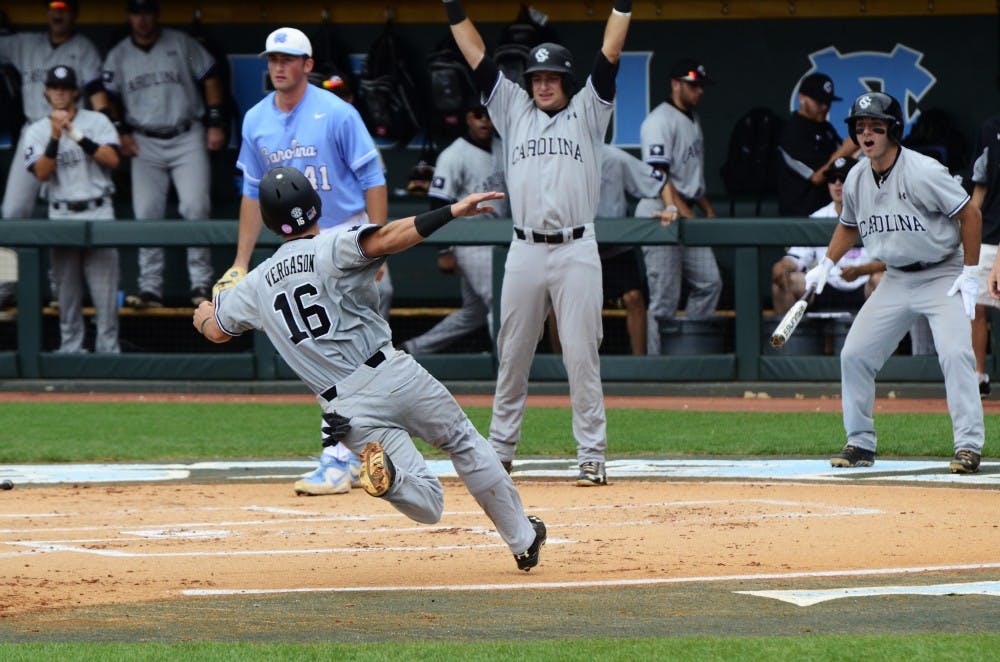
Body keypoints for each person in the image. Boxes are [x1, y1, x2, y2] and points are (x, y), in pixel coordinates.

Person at [193, 166, 546, 571]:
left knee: (429, 505)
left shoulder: (255, 286)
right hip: (390, 374)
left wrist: (203, 311)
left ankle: (392, 481)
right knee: (463, 441)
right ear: (315, 206)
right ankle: (521, 539)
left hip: (344, 409)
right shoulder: (329, 247)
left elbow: (217, 331)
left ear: (271, 225)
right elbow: (388, 238)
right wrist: (450, 211)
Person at [445, 0, 633, 486]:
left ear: (566, 81)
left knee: (581, 354)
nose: (543, 83)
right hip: (525, 248)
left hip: (575, 248)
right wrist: (452, 7)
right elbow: (476, 56)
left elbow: (609, 53)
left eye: (551, 77)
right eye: (536, 77)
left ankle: (591, 454)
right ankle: (500, 452)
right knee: (513, 353)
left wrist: (623, 6)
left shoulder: (590, 111)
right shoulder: (512, 109)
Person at [214, 27, 388, 497]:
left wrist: (377, 242)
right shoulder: (254, 119)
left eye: (289, 59)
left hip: (345, 239)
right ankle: (356, 451)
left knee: (351, 353)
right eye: (272, 59)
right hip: (296, 248)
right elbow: (252, 191)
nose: (279, 67)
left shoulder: (336, 112)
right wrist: (241, 261)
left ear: (308, 65)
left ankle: (345, 454)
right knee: (328, 352)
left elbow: (373, 177)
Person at [806, 92, 984, 474]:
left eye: (876, 127)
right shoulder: (855, 177)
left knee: (956, 355)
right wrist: (826, 262)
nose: (867, 133)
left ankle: (968, 446)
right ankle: (860, 442)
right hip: (897, 278)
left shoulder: (923, 170)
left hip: (942, 272)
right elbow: (849, 226)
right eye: (860, 127)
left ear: (893, 131)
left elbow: (970, 214)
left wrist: (970, 271)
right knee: (854, 355)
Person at [102, 0, 225, 308]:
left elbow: (211, 76)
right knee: (147, 214)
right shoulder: (119, 54)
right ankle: (150, 289)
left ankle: (201, 284)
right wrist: (120, 131)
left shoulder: (180, 42)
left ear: (156, 14)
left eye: (146, 12)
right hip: (144, 141)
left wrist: (214, 122)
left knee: (195, 207)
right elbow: (105, 94)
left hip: (186, 134)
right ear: (129, 17)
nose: (141, 20)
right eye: (135, 13)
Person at [23, 65, 120, 353]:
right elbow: (41, 172)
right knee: (66, 295)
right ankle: (70, 350)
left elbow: (113, 159)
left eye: (65, 88)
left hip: (98, 210)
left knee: (105, 296)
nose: (60, 93)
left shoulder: (98, 121)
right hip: (61, 213)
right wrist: (55, 137)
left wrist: (75, 135)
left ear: (76, 92)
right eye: (54, 88)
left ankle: (108, 352)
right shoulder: (37, 130)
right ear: (46, 93)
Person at [402, 103, 506, 354]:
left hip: (499, 237)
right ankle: (507, 368)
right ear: (468, 118)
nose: (485, 121)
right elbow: (438, 203)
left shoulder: (503, 148)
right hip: (469, 239)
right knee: (501, 303)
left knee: (475, 311)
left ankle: (413, 348)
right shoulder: (454, 154)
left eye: (490, 116)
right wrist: (444, 249)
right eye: (478, 115)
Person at [636, 58, 722, 355]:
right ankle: (657, 366)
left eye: (701, 86)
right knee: (664, 299)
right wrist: (686, 214)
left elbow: (691, 179)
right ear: (675, 84)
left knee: (710, 283)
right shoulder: (658, 121)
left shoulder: (692, 119)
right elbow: (659, 175)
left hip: (685, 210)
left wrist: (707, 209)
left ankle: (684, 349)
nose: (699, 91)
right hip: (659, 211)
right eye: (693, 85)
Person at [0, 0, 109, 221]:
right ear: (46, 13)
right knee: (12, 210)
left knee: (77, 206)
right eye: (54, 8)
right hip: (34, 130)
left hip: (72, 132)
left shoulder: (83, 47)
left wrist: (110, 127)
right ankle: (17, 257)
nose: (58, 14)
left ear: (75, 14)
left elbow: (96, 89)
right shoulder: (26, 44)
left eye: (65, 9)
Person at [771, 156, 883, 314]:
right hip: (824, 286)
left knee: (883, 280)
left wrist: (862, 270)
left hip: (864, 285)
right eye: (832, 178)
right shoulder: (817, 218)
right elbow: (796, 258)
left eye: (843, 178)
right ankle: (793, 339)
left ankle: (886, 339)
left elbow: (890, 263)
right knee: (783, 283)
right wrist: (782, 266)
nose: (837, 183)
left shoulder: (877, 214)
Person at [596, 143, 667, 355]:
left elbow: (659, 180)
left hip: (616, 247)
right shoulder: (560, 158)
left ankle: (640, 364)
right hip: (576, 247)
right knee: (557, 306)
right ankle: (560, 369)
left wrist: (671, 208)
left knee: (634, 297)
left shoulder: (614, 157)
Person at [777, 72, 857, 217]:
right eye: (819, 101)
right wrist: (848, 148)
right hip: (800, 218)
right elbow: (817, 176)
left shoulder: (825, 127)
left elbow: (843, 161)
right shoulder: (792, 131)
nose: (824, 107)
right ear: (801, 98)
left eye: (828, 102)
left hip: (829, 213)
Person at [969, 113, 1000, 397]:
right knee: (974, 305)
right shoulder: (990, 127)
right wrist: (969, 226)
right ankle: (977, 376)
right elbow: (981, 181)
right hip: (990, 232)